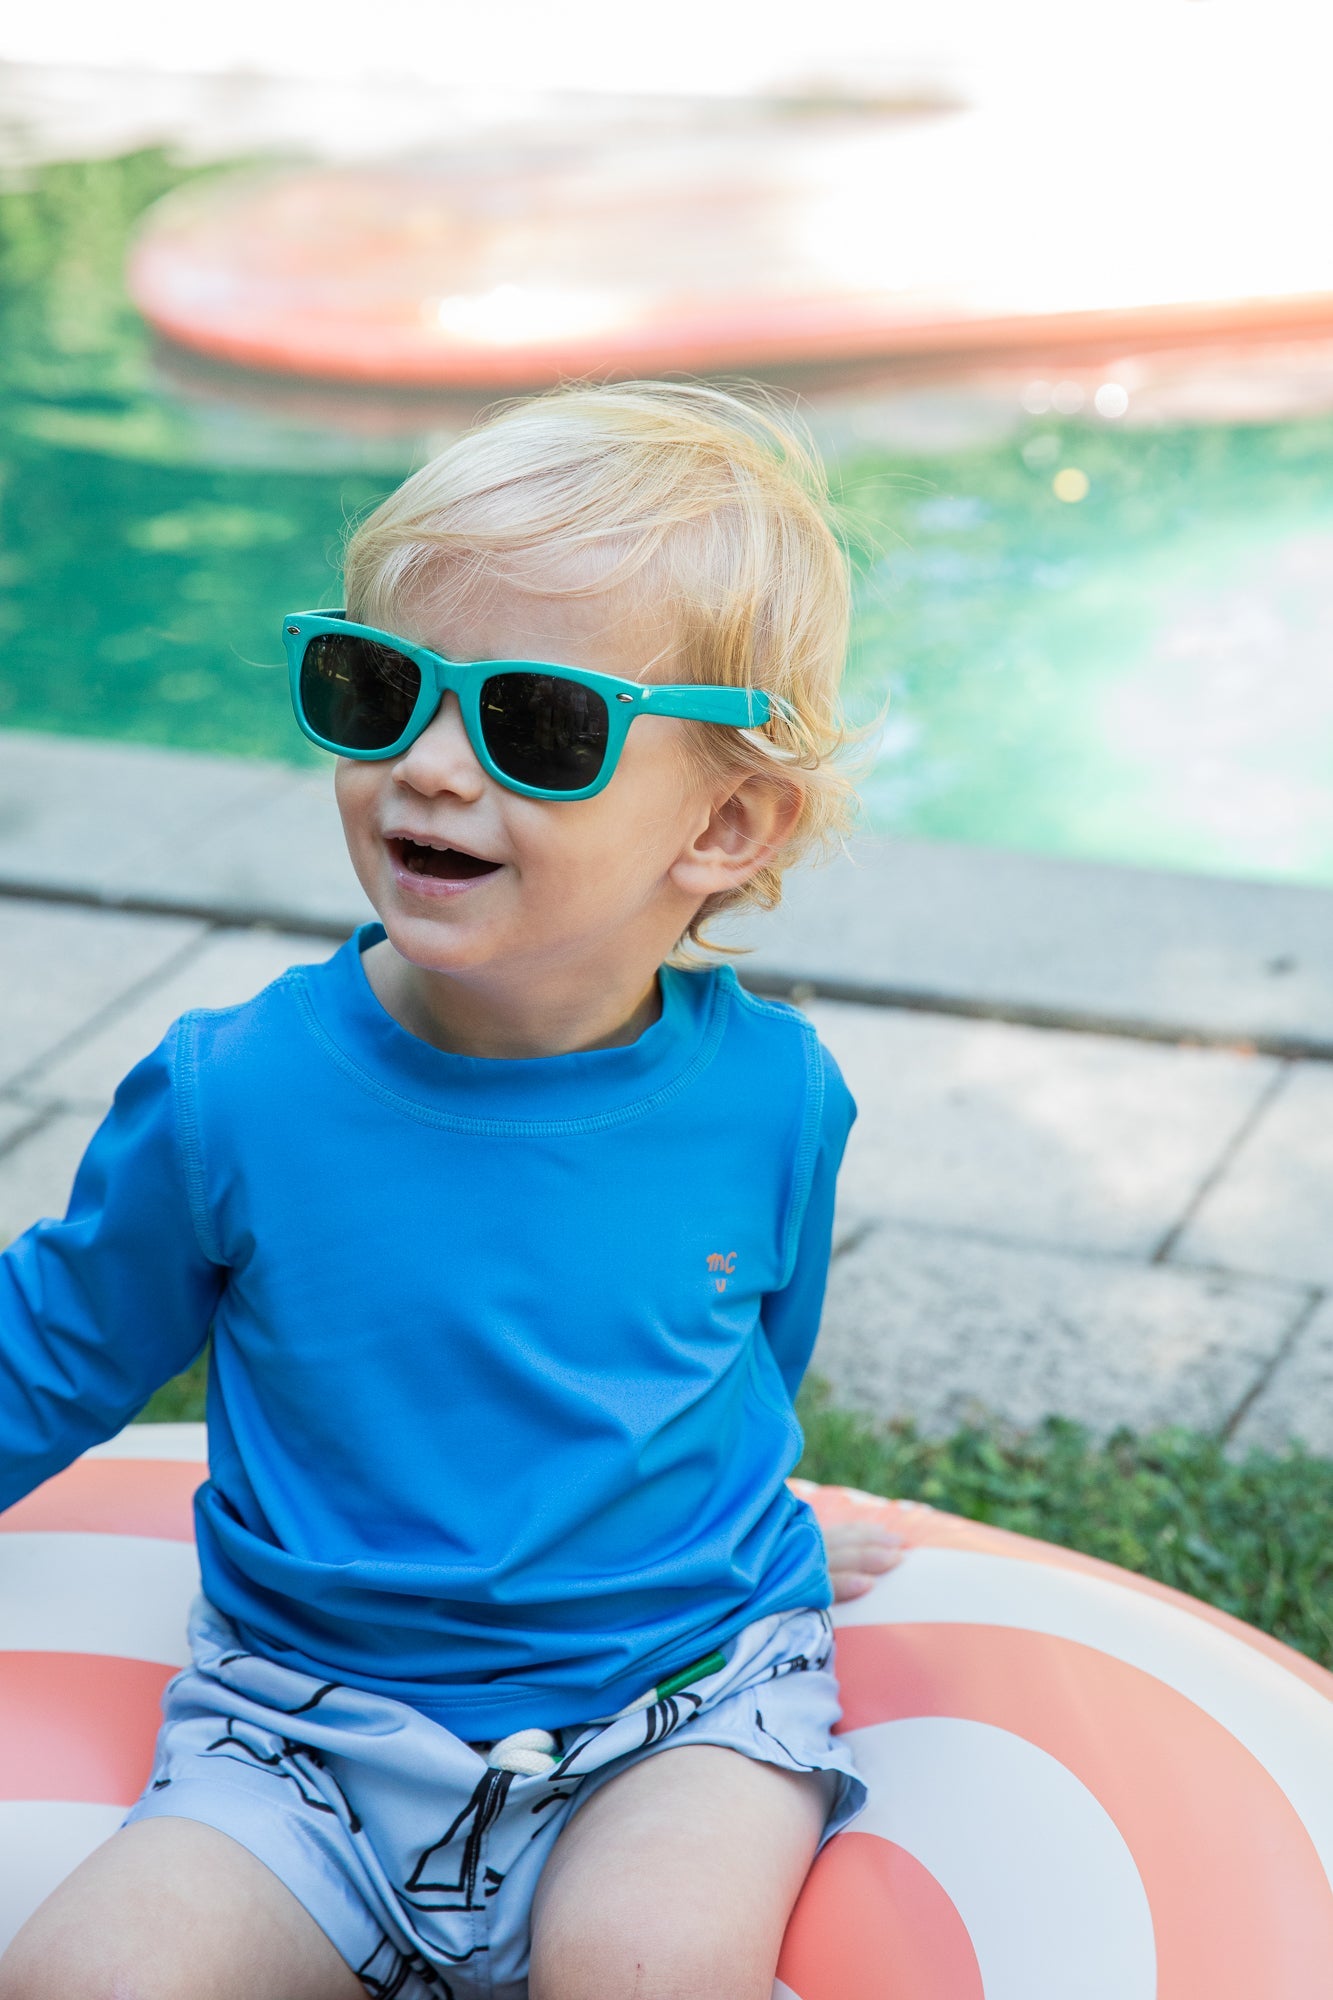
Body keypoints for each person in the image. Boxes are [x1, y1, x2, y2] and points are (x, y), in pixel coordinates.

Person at [0, 382, 900, 2000]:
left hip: (676, 1696)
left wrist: (746, 1526)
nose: (424, 765)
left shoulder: (776, 1098)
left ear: (724, 822)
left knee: (647, 1964)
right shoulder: (235, 1097)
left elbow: (743, 1365)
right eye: (377, 686)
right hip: (303, 1730)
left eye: (535, 724)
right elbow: (47, 1351)